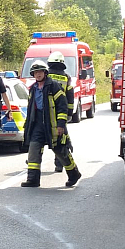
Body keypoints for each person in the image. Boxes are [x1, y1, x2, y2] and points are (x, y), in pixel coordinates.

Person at [21, 60, 82, 188]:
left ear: (45, 72)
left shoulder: (53, 86)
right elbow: (31, 107)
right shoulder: (32, 89)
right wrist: (28, 126)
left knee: (60, 151)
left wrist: (60, 125)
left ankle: (74, 174)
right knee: (33, 149)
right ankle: (32, 179)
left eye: (40, 72)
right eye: (35, 72)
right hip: (37, 123)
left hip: (52, 124)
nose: (38, 74)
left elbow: (62, 106)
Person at [47, 51, 75, 173]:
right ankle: (59, 164)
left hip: (46, 112)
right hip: (60, 114)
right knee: (60, 139)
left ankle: (34, 159)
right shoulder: (66, 77)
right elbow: (70, 96)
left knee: (39, 138)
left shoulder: (45, 75)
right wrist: (69, 114)